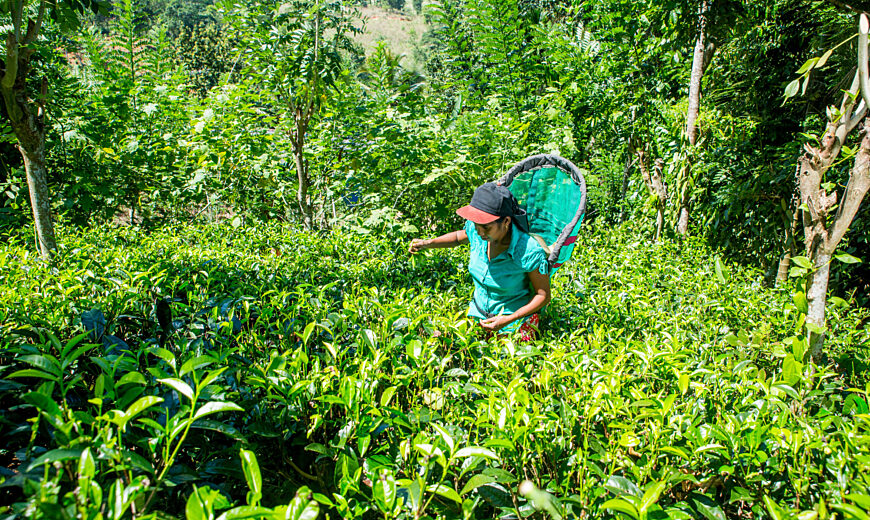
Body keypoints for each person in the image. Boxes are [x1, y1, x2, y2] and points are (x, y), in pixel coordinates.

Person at [409, 182, 551, 339]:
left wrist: (509, 319)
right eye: (476, 225)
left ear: (506, 221)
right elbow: (458, 237)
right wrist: (426, 243)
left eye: (486, 227)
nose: (479, 231)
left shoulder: (528, 251)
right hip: (478, 315)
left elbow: (543, 295)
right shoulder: (477, 232)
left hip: (513, 321)